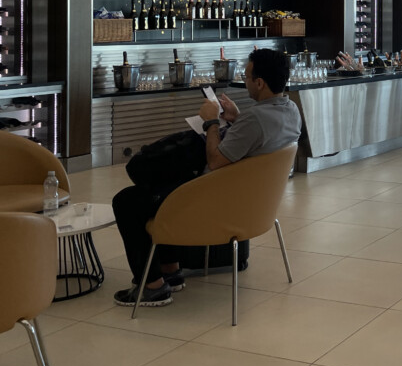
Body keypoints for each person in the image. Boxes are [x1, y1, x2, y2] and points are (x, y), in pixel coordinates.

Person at [111, 48, 302, 307]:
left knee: (127, 201)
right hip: (254, 204)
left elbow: (215, 160)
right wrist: (235, 119)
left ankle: (152, 286)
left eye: (246, 76)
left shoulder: (255, 119)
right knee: (159, 185)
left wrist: (211, 122)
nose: (244, 81)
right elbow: (254, 143)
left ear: (260, 82)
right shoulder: (290, 109)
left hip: (218, 203)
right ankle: (170, 270)